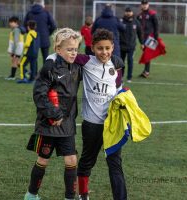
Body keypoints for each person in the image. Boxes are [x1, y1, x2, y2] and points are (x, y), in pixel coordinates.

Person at [24, 28, 82, 200]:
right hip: (49, 124)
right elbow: (39, 94)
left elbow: (97, 61)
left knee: (71, 160)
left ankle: (70, 197)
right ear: (58, 49)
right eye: (69, 49)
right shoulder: (50, 68)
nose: (73, 53)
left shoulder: (77, 66)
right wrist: (54, 115)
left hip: (67, 124)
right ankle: (31, 195)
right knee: (43, 160)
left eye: (76, 49)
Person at [74, 29, 126, 200]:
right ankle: (83, 195)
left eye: (107, 48)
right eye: (100, 48)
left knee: (115, 164)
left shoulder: (117, 64)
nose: (104, 52)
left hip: (112, 125)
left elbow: (118, 87)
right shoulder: (85, 61)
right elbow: (64, 55)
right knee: (87, 161)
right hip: (91, 124)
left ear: (113, 47)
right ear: (92, 48)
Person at [120, 7, 143, 83]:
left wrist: (142, 43)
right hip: (121, 46)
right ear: (124, 12)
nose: (128, 13)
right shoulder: (121, 21)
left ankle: (129, 77)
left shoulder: (136, 22)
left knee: (130, 61)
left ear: (132, 12)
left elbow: (140, 33)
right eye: (127, 11)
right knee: (121, 62)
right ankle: (121, 76)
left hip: (131, 46)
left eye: (129, 11)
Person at [137, 0, 159, 78]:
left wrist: (156, 38)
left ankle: (146, 72)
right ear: (141, 5)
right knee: (146, 54)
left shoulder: (152, 14)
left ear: (148, 4)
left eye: (146, 4)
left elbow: (156, 26)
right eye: (143, 4)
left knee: (147, 54)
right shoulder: (139, 15)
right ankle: (146, 71)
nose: (144, 5)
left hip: (151, 37)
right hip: (142, 38)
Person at [5, 16, 24, 80]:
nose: (9, 24)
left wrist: (14, 52)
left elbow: (16, 41)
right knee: (17, 62)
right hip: (17, 48)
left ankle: (12, 76)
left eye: (11, 22)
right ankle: (27, 72)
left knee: (14, 61)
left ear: (15, 22)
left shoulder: (16, 30)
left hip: (17, 48)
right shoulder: (15, 29)